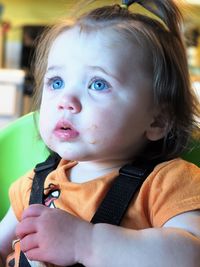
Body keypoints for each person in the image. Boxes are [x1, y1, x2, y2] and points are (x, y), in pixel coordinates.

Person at [0, 0, 200, 266]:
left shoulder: (168, 183)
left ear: (158, 121)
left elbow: (192, 255)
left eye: (98, 83)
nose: (66, 100)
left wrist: (87, 243)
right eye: (56, 82)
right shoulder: (34, 184)